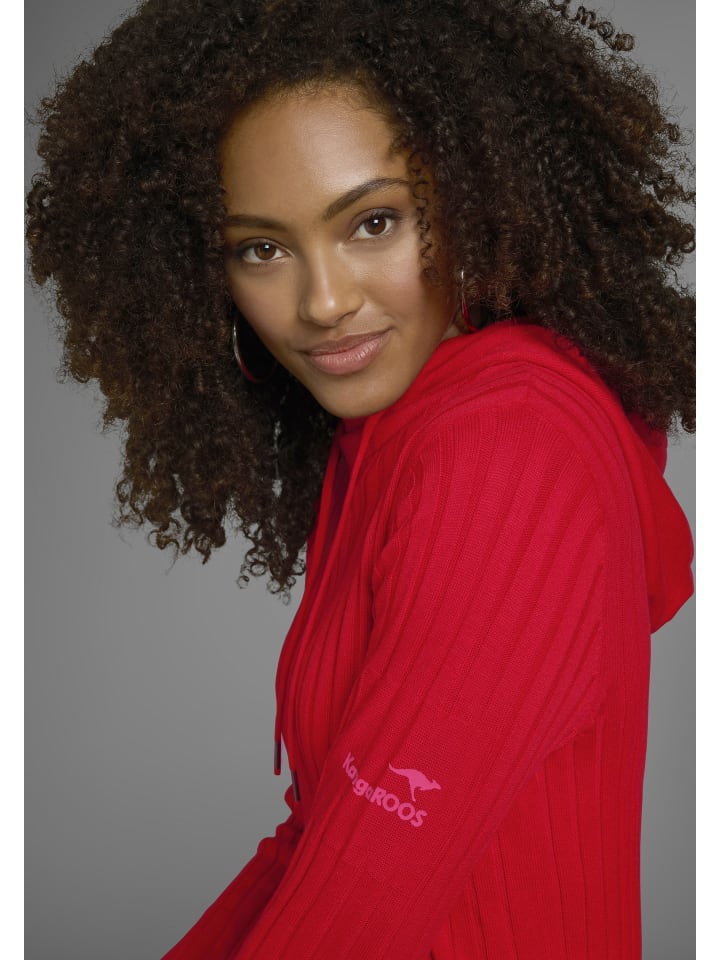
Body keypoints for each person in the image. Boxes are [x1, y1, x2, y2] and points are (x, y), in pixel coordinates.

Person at [26, 0, 695, 956]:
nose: (324, 301)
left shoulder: (508, 451)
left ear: (477, 195)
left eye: (373, 222)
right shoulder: (392, 438)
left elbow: (363, 904)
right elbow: (322, 840)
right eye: (261, 248)